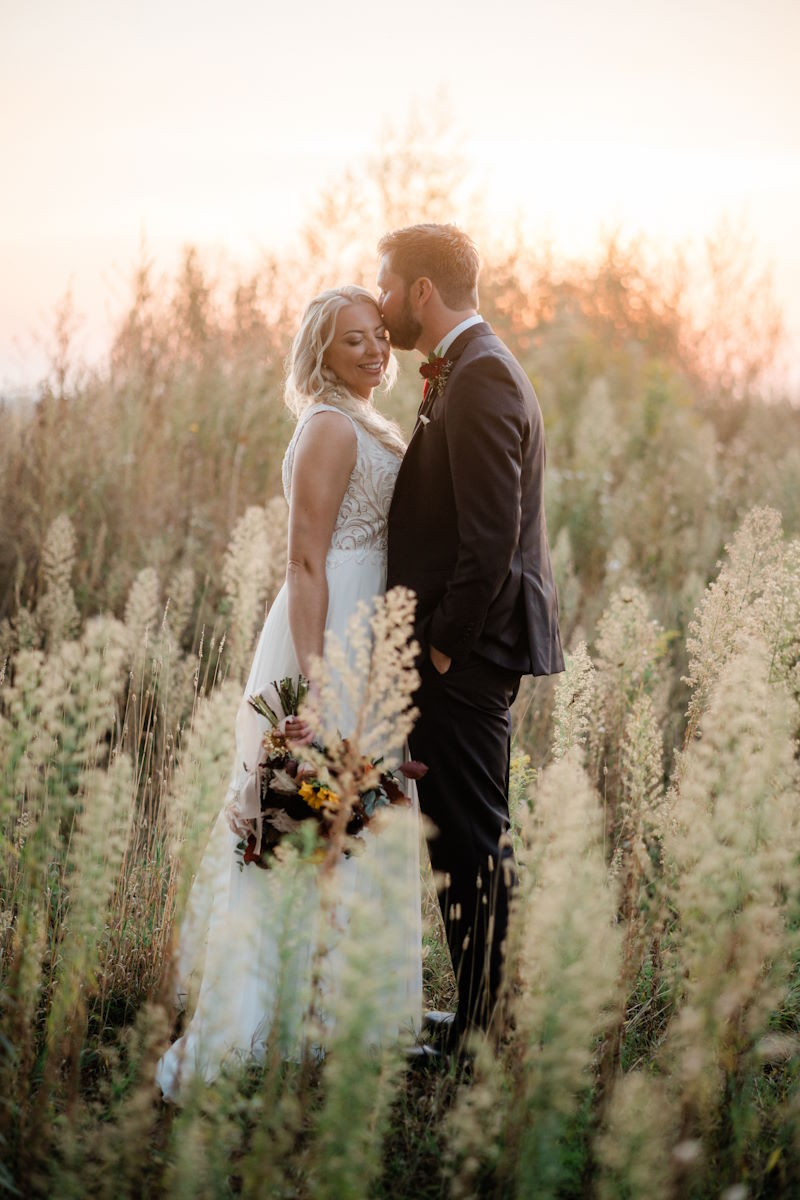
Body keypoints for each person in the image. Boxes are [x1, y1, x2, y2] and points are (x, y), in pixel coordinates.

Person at [156, 286, 423, 1101]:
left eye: (380, 337)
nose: (377, 351)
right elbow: (305, 562)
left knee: (353, 819)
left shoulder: (362, 418)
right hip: (329, 637)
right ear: (320, 352)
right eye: (354, 342)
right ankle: (264, 1017)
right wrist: (319, 677)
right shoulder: (331, 426)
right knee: (304, 815)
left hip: (364, 632)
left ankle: (343, 1011)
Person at [377, 224, 564, 1047]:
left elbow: (489, 540)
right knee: (463, 833)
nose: (381, 301)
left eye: (387, 284)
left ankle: (488, 1031)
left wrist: (443, 647)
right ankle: (484, 1016)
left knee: (474, 838)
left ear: (421, 289)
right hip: (468, 647)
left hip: (469, 651)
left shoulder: (481, 375)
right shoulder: (469, 367)